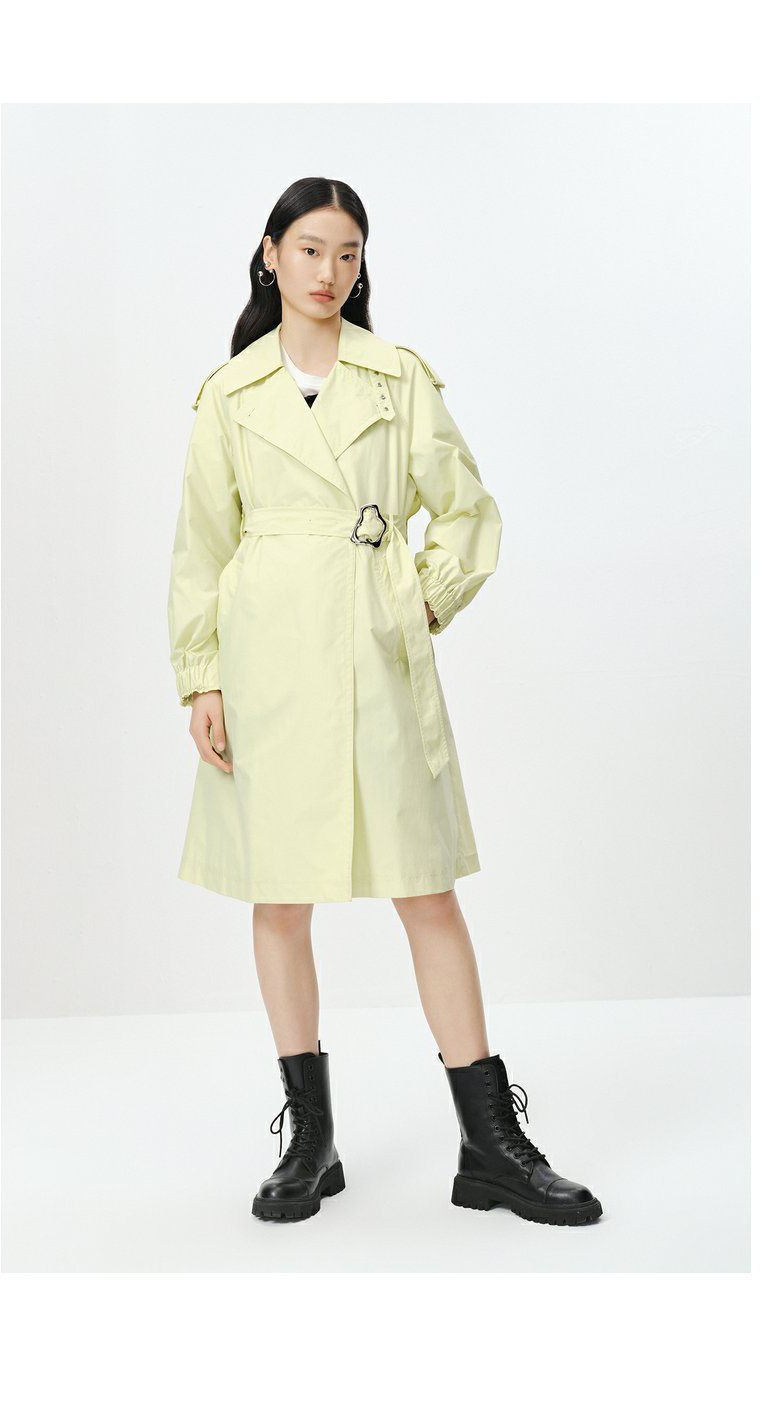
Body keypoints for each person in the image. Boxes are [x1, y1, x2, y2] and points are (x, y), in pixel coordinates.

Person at [167, 176, 602, 1228]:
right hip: (266, 661)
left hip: (374, 650)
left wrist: (418, 601)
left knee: (424, 886)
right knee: (279, 895)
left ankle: (489, 1143)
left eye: (348, 253)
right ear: (270, 253)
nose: (329, 272)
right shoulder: (229, 393)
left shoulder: (395, 376)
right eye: (310, 249)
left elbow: (467, 511)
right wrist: (202, 675)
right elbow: (200, 546)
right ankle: (309, 1141)